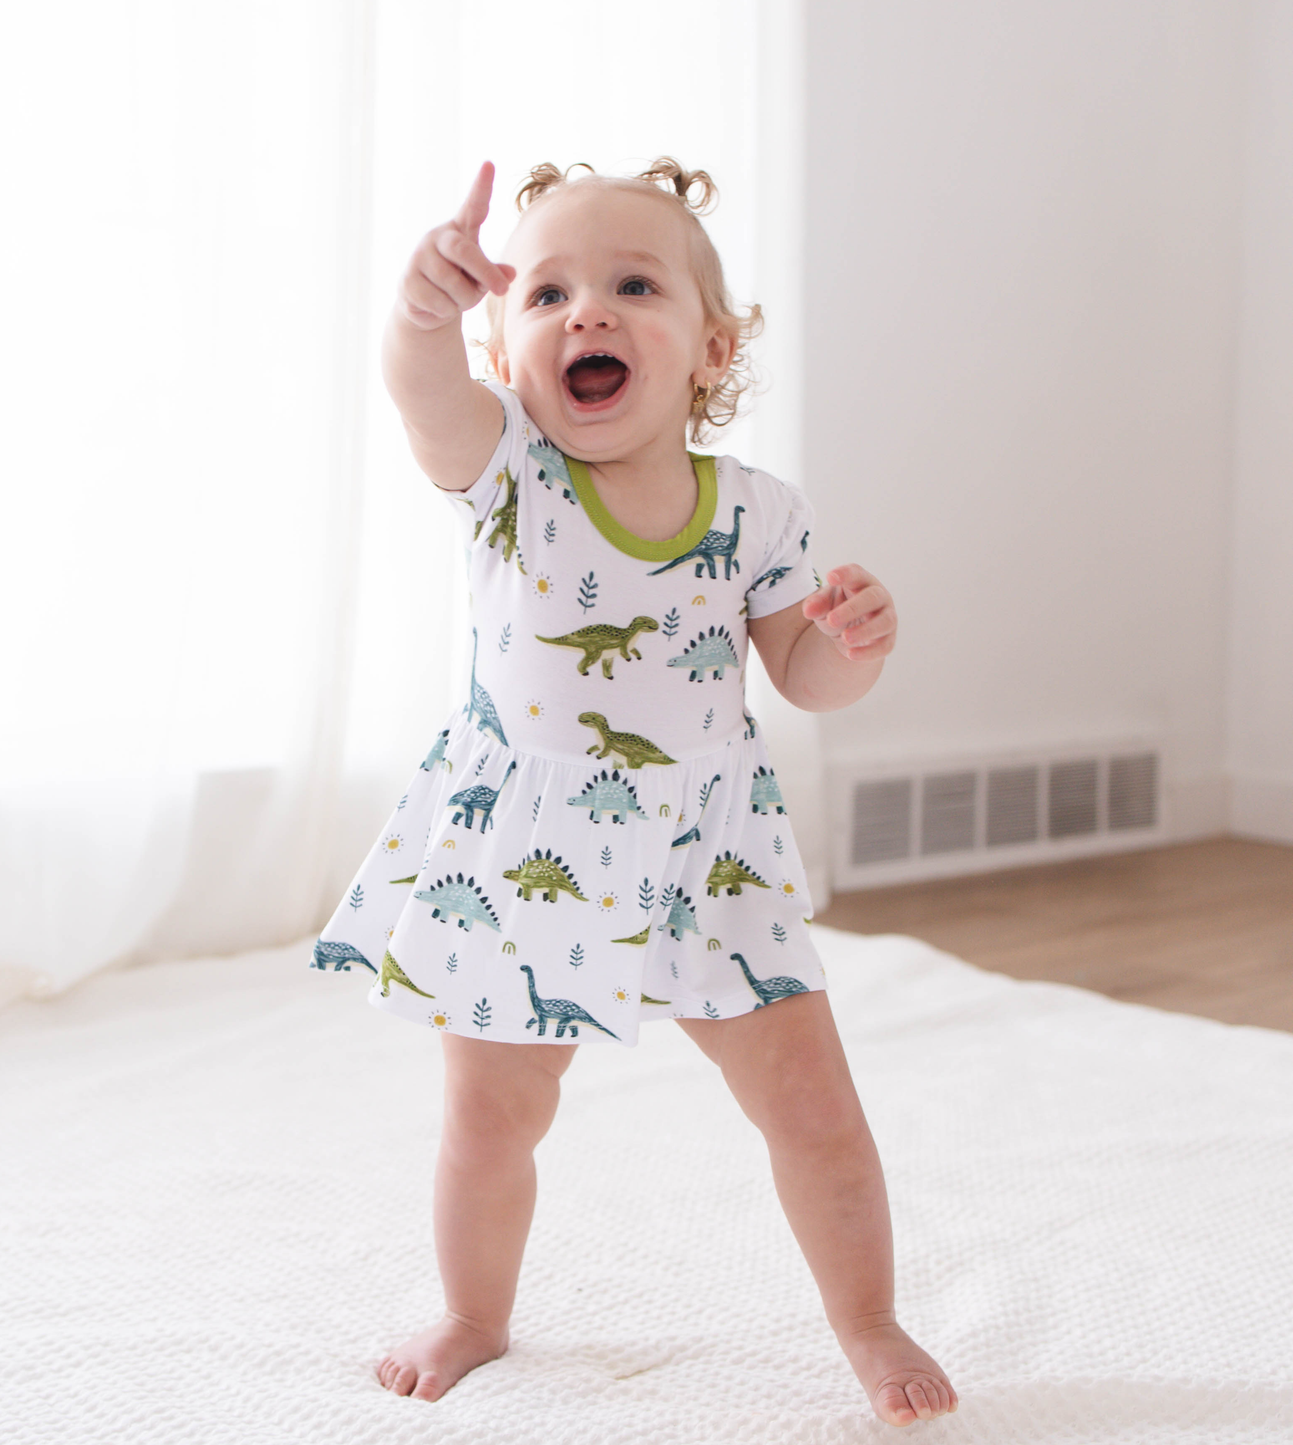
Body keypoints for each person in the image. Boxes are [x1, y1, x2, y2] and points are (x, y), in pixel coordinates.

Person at [313, 157, 957, 1426]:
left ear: (709, 350)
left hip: (708, 856)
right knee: (491, 1114)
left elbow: (799, 674)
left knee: (815, 1107)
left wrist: (854, 644)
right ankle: (474, 1310)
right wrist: (422, 312)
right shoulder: (504, 474)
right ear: (507, 347)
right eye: (545, 292)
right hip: (523, 846)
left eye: (631, 285)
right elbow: (419, 388)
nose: (586, 312)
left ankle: (867, 1316)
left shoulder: (756, 512)